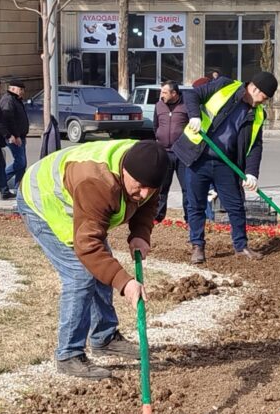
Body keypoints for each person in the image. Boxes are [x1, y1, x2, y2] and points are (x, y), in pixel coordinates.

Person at [18, 139, 169, 380]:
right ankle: (68, 353)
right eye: (139, 187)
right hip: (45, 203)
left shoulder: (149, 168)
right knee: (81, 274)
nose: (143, 195)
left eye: (150, 189)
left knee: (100, 267)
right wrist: (124, 282)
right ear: (124, 171)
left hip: (80, 203)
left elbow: (148, 203)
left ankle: (104, 337)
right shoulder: (98, 183)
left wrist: (140, 234)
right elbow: (88, 247)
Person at [172, 71, 278, 264]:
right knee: (196, 204)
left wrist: (251, 173)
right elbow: (191, 95)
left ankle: (241, 246)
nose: (262, 103)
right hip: (198, 156)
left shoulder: (257, 113)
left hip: (226, 164)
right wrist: (195, 116)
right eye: (263, 98)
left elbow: (255, 145)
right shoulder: (224, 86)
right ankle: (197, 246)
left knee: (235, 206)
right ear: (254, 88)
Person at [152, 80, 200, 222]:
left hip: (182, 154)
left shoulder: (186, 106)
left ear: (174, 93)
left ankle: (189, 218)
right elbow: (156, 126)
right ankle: (158, 217)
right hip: (164, 153)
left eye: (165, 92)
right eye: (161, 92)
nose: (162, 95)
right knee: (161, 187)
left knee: (187, 188)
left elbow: (195, 126)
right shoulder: (159, 105)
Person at [0, 79, 30, 189]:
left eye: (23, 90)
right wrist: (15, 136)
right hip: (14, 137)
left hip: (20, 135)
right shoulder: (8, 100)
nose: (22, 92)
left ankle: (19, 188)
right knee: (20, 162)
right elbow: (8, 120)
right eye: (20, 89)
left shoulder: (16, 99)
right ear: (12, 88)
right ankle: (0, 179)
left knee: (22, 164)